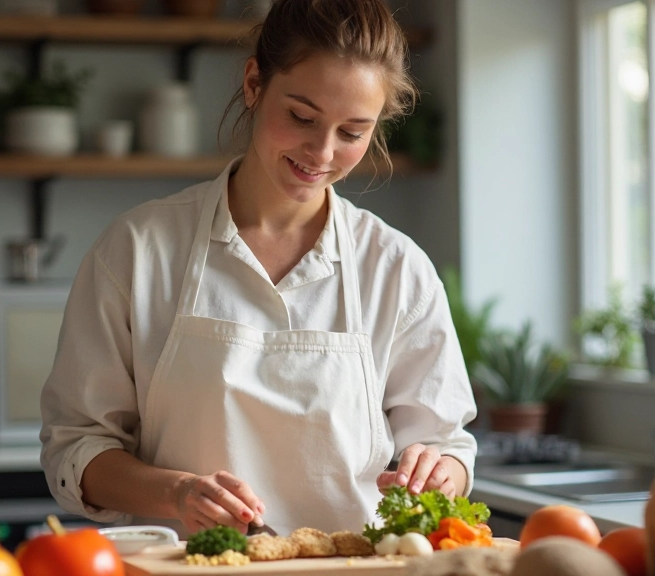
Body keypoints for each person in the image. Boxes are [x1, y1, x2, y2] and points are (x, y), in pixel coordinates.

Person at [40, 0, 477, 537]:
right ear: (253, 84)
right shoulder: (138, 250)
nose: (321, 152)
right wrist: (177, 493)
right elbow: (77, 449)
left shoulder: (397, 269)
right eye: (302, 117)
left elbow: (447, 446)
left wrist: (440, 472)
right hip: (184, 569)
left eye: (352, 132)